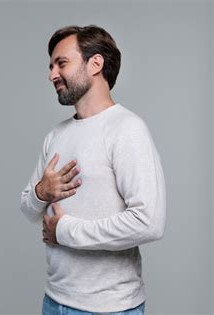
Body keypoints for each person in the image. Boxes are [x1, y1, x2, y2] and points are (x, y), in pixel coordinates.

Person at [20, 25, 166, 314]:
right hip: (54, 301)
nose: (52, 75)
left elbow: (149, 222)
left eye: (62, 63)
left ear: (95, 63)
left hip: (109, 308)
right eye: (51, 66)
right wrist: (40, 192)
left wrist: (66, 230)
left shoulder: (127, 130)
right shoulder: (56, 135)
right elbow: (28, 208)